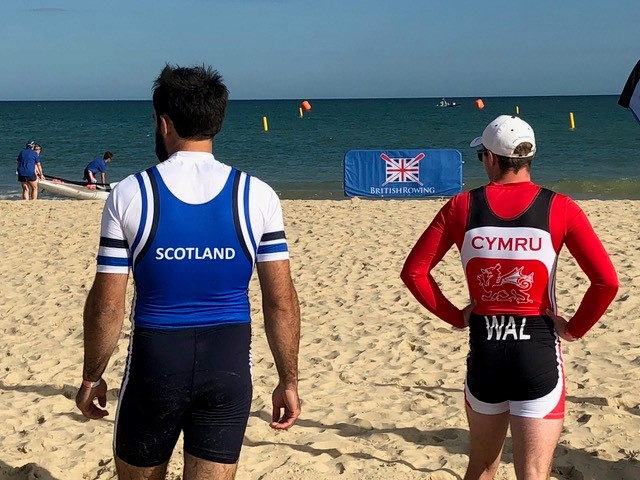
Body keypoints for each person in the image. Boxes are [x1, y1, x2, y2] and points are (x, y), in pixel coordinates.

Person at [75, 65, 301, 480]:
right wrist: (289, 378)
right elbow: (281, 303)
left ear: (163, 122)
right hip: (228, 363)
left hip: (156, 363)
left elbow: (108, 305)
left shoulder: (130, 193)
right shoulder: (257, 194)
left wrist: (92, 376)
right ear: (216, 121)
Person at [401, 115, 618, 479]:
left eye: (481, 156)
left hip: (485, 345)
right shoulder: (560, 207)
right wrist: (573, 329)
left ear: (491, 158)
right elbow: (606, 283)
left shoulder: (461, 206)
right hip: (536, 347)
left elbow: (414, 273)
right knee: (533, 472)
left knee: (483, 466)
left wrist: (456, 316)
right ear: (528, 159)